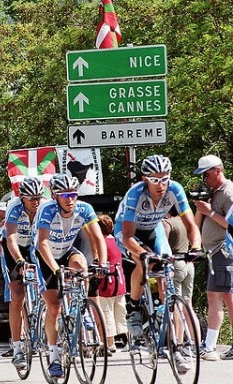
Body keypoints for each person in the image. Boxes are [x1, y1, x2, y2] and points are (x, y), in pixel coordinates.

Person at [114, 155, 201, 373]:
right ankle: (133, 308)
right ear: (145, 179)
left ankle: (177, 345)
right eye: (155, 180)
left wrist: (196, 247)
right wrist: (144, 253)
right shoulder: (135, 194)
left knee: (167, 269)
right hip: (128, 233)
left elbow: (190, 224)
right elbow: (127, 236)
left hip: (154, 229)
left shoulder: (175, 189)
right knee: (144, 262)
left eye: (164, 178)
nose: (161, 184)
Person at [35, 173, 107, 379]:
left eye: (73, 194)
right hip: (45, 254)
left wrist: (101, 263)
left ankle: (80, 308)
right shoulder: (47, 210)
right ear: (56, 196)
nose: (70, 199)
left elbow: (97, 237)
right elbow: (42, 244)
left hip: (67, 249)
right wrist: (56, 270)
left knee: (81, 266)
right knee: (54, 305)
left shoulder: (85, 209)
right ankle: (54, 356)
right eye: (65, 195)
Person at [0, 177, 46, 369]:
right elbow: (10, 238)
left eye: (38, 197)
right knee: (17, 296)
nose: (35, 201)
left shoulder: (45, 206)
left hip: (34, 245)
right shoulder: (14, 207)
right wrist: (19, 260)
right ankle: (17, 346)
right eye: (31, 198)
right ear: (22, 198)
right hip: (14, 247)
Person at [192, 155, 233, 361]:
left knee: (216, 296)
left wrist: (210, 212)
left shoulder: (228, 193)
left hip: (224, 251)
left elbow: (231, 225)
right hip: (215, 252)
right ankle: (211, 344)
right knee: (225, 297)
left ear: (218, 171)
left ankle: (209, 346)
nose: (204, 179)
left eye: (206, 175)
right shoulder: (215, 192)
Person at [96, 215, 127, 355]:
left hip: (106, 282)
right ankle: (128, 340)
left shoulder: (100, 243)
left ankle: (110, 343)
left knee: (106, 312)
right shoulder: (115, 240)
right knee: (121, 312)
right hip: (119, 281)